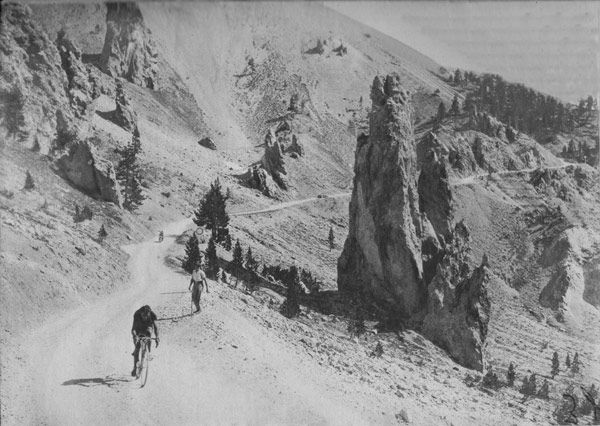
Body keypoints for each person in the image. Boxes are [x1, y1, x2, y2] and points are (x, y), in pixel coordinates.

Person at [131, 305, 159, 376]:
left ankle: (148, 351)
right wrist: (135, 336)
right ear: (141, 313)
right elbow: (133, 329)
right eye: (143, 315)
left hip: (148, 326)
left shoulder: (153, 315)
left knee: (149, 334)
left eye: (147, 315)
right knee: (137, 345)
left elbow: (156, 327)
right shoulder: (137, 314)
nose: (145, 317)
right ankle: (135, 367)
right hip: (139, 327)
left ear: (149, 313)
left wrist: (157, 337)